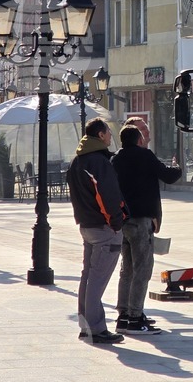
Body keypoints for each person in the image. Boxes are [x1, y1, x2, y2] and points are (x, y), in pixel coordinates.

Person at [113, 118, 181, 335]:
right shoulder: (145, 156)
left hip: (123, 221)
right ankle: (135, 317)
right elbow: (168, 176)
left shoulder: (116, 159)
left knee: (126, 270)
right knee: (142, 269)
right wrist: (178, 167)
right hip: (142, 221)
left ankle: (123, 315)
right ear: (138, 140)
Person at [67, 117, 126, 345]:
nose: (111, 136)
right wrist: (116, 222)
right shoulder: (99, 162)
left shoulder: (77, 161)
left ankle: (86, 326)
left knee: (88, 277)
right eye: (108, 132)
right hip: (103, 228)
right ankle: (96, 329)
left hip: (86, 225)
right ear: (100, 135)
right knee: (97, 280)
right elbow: (107, 196)